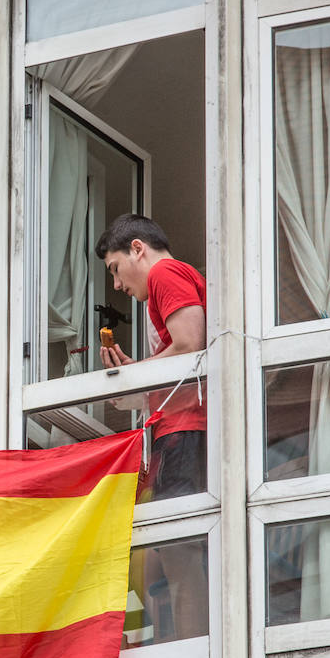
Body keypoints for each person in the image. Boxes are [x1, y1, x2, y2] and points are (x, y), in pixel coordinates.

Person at [95, 213, 207, 499]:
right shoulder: (171, 275)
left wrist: (137, 374)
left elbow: (189, 344)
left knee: (178, 528)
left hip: (185, 425)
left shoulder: (164, 272)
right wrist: (140, 371)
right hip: (184, 424)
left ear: (137, 249)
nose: (117, 285)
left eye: (115, 269)